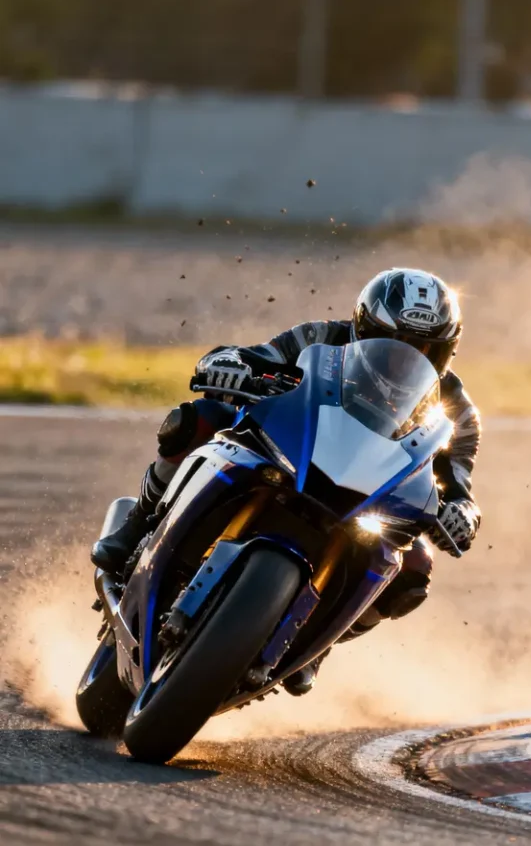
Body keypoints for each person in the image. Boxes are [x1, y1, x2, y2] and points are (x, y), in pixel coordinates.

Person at [92, 268, 481, 694]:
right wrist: (229, 366)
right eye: (395, 346)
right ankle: (138, 527)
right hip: (288, 452)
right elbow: (251, 355)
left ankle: (318, 645)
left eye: (424, 350)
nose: (407, 359)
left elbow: (458, 482)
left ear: (446, 354)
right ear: (361, 327)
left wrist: (463, 512)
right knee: (199, 419)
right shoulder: (319, 338)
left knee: (416, 565)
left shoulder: (455, 410)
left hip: (368, 495)